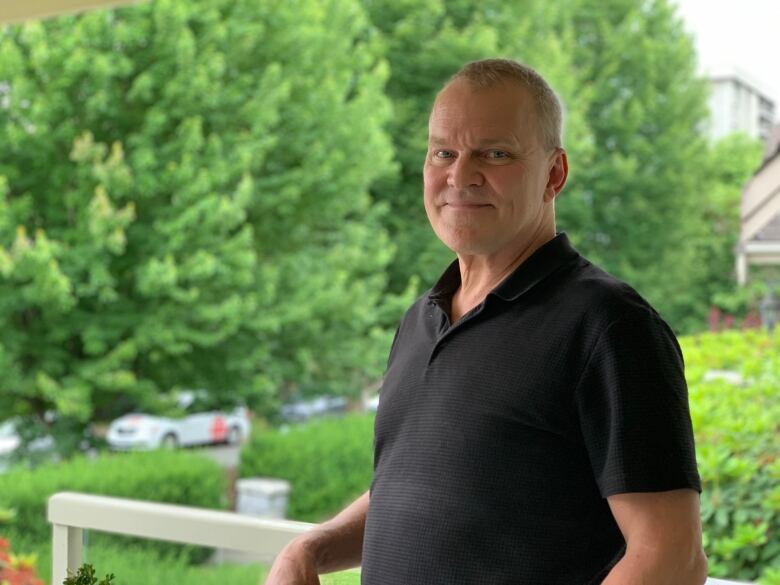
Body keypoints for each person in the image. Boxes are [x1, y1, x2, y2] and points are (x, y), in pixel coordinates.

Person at [264, 58, 707, 585]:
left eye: (494, 154)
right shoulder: (422, 319)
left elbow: (670, 557)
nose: (459, 175)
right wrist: (309, 549)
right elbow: (418, 491)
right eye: (443, 152)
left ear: (554, 174)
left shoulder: (609, 327)